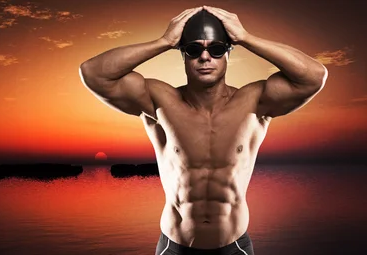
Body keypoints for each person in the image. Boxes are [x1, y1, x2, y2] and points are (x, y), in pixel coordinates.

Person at [78, 5, 328, 255]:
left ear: (229, 53)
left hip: (235, 247)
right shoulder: (159, 101)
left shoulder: (255, 102)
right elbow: (94, 74)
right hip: (174, 247)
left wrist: (245, 38)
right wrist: (164, 42)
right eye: (194, 50)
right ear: (183, 55)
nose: (205, 58)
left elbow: (314, 76)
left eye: (217, 49)